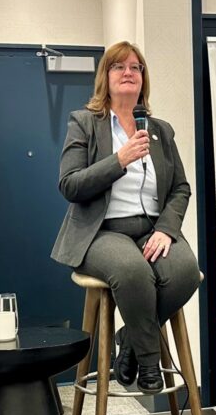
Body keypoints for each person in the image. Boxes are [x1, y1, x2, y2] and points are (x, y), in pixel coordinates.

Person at [51, 41, 199, 395]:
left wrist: (166, 229)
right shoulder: (85, 123)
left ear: (142, 79)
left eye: (136, 67)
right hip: (101, 231)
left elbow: (180, 188)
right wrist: (120, 159)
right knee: (133, 272)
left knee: (185, 273)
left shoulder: (160, 129)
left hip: (152, 230)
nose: (129, 72)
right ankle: (149, 362)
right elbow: (70, 185)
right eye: (119, 67)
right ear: (106, 76)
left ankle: (128, 341)